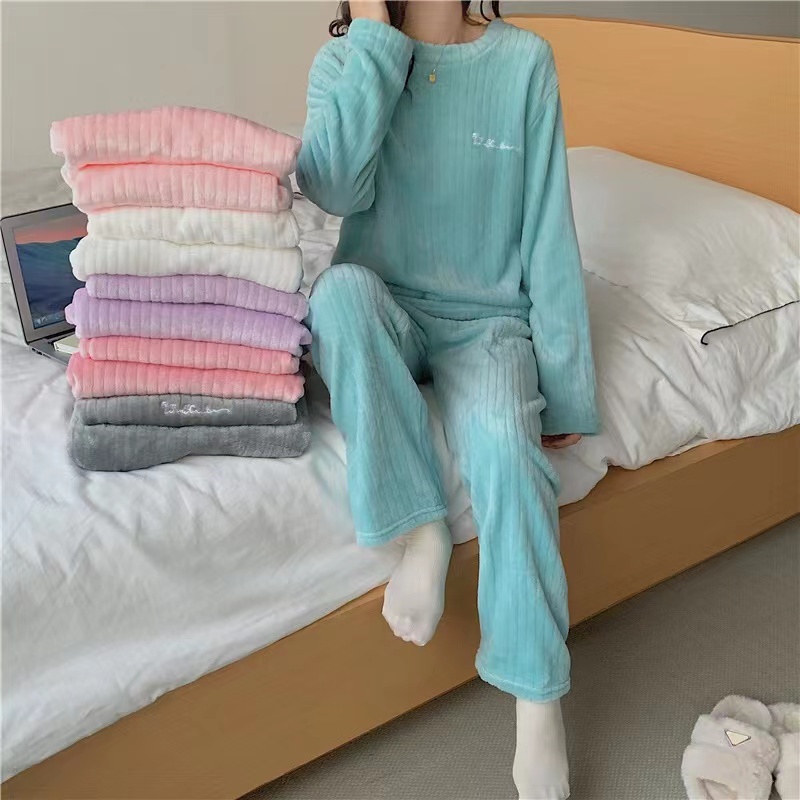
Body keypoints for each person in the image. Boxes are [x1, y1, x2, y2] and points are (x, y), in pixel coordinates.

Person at [297, 2, 598, 797]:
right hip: (382, 308)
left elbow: (548, 231)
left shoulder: (524, 62)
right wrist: (375, 35)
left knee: (505, 444)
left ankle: (538, 702)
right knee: (336, 295)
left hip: (487, 323)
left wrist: (566, 389)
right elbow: (329, 186)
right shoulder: (346, 63)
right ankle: (422, 531)